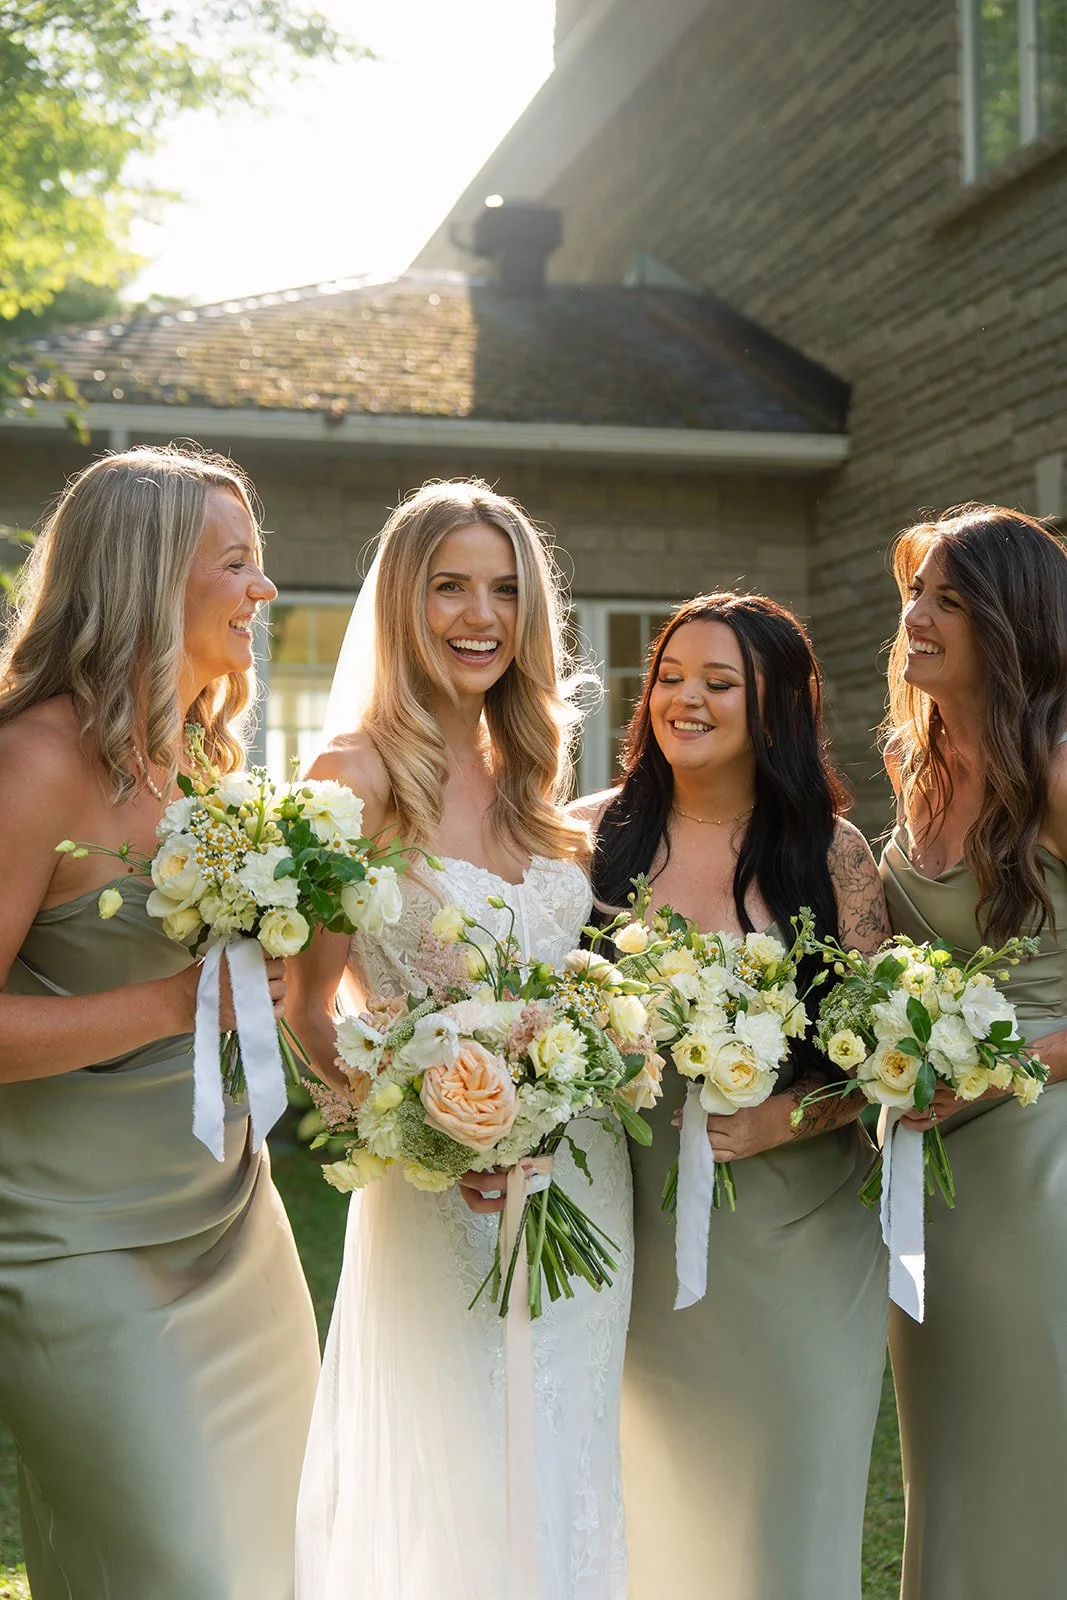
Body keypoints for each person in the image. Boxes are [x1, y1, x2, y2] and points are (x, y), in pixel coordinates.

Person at [289, 480, 631, 1600]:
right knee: (462, 1471)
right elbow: (308, 1009)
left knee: (567, 1459)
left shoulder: (535, 777)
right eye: (449, 586)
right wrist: (434, 1134)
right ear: (402, 601)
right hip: (444, 1197)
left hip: (584, 1175)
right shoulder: (350, 778)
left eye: (502, 588)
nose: (479, 614)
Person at [0, 445, 320, 1600]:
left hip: (235, 1220)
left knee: (277, 1560)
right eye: (237, 562)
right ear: (143, 578)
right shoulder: (34, 759)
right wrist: (171, 1001)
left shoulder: (203, 762)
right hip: (80, 1248)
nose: (262, 589)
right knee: (172, 1572)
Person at [579, 592, 889, 1600]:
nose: (684, 698)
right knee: (655, 1520)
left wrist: (780, 1115)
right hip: (637, 1235)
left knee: (782, 1526)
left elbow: (879, 1057)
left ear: (776, 708)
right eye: (670, 677)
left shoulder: (828, 853)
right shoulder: (593, 842)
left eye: (719, 683)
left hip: (796, 1243)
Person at [880, 505, 1067, 1600]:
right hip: (934, 1176)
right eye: (915, 591)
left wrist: (1007, 1067)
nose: (914, 615)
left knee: (1035, 1453)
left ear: (1010, 620)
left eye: (946, 598)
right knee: (947, 1462)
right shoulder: (920, 757)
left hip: (1039, 1166)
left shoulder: (1054, 764)